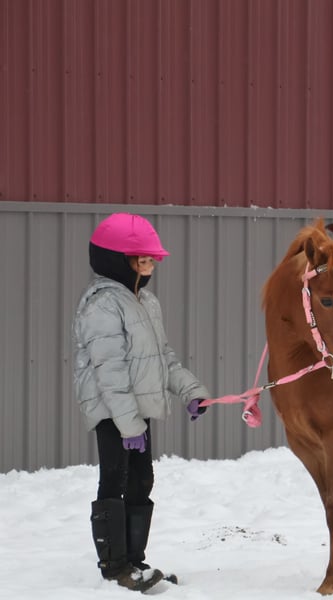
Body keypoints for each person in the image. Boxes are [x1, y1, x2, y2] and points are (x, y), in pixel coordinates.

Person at [72, 213, 209, 592]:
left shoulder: (145, 301)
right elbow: (110, 372)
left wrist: (191, 391)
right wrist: (128, 426)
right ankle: (115, 567)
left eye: (151, 260)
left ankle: (135, 561)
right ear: (118, 260)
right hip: (111, 409)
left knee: (142, 479)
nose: (150, 267)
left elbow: (162, 358)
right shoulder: (102, 305)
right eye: (143, 260)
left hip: (136, 410)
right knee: (115, 478)